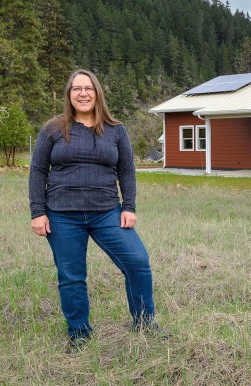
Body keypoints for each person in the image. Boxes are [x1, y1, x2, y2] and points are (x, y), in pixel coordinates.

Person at [29, 69, 166, 351]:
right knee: (71, 276)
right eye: (76, 89)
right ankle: (79, 333)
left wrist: (128, 207)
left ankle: (144, 323)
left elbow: (126, 170)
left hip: (107, 213)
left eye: (88, 88)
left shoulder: (116, 130)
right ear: (69, 94)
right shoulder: (53, 129)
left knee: (137, 262)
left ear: (97, 93)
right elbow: (38, 170)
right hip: (62, 215)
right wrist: (37, 211)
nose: (83, 93)